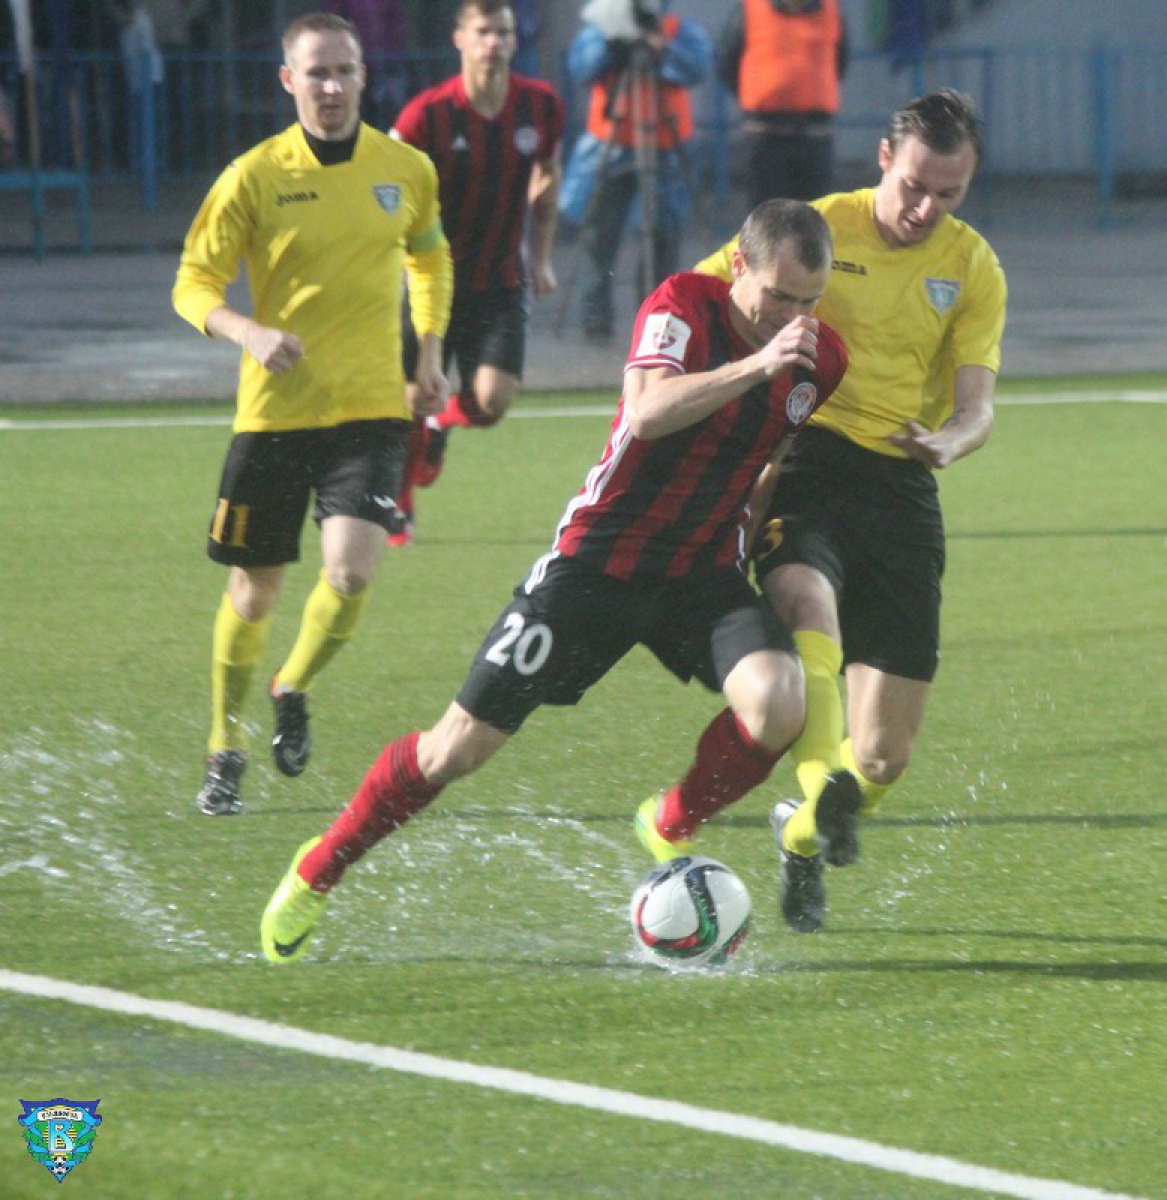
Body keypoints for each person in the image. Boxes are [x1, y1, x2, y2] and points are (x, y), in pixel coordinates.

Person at [259, 198, 848, 963]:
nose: (792, 319)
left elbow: (768, 463)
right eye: (779, 297)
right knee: (455, 749)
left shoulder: (821, 361)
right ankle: (318, 869)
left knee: (779, 699)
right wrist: (753, 367)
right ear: (740, 265)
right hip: (595, 565)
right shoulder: (680, 304)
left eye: (809, 302)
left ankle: (668, 821)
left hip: (699, 574)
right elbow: (646, 412)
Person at [676, 89, 1007, 933]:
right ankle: (822, 787)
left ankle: (800, 831)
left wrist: (951, 440)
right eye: (914, 187)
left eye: (948, 195)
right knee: (805, 603)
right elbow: (701, 293)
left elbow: (977, 407)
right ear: (883, 159)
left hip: (902, 482)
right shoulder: (818, 228)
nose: (925, 209)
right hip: (805, 456)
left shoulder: (972, 266)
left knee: (885, 758)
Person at [172, 12, 453, 816]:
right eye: (316, 73)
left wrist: (428, 349)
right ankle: (224, 744)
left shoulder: (405, 168)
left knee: (351, 571)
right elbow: (192, 283)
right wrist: (248, 331)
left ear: (363, 77)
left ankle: (291, 685)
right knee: (254, 594)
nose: (331, 87)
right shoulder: (253, 176)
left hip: (371, 409)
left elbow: (429, 255)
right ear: (288, 81)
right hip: (274, 415)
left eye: (344, 71)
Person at [387, 0, 565, 546]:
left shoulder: (541, 105)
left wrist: (540, 258)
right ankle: (400, 505)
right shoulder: (427, 115)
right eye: (483, 31)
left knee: (492, 401)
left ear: (514, 40)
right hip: (430, 282)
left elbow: (548, 179)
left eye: (503, 32)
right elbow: (388, 188)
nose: (494, 42)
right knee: (412, 398)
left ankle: (443, 423)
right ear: (459, 38)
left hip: (500, 279)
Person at [559, 0, 712, 343]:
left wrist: (663, 49)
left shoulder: (677, 31)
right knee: (599, 237)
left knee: (663, 235)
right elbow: (580, 67)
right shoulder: (602, 30)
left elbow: (697, 66)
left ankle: (656, 319)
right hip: (610, 144)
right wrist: (611, 47)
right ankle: (595, 322)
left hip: (665, 147)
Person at [718, 0, 849, 208]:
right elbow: (727, 61)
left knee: (814, 217)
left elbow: (839, 62)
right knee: (767, 218)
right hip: (765, 138)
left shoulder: (832, 11)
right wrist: (757, 94)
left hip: (815, 138)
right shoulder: (749, 9)